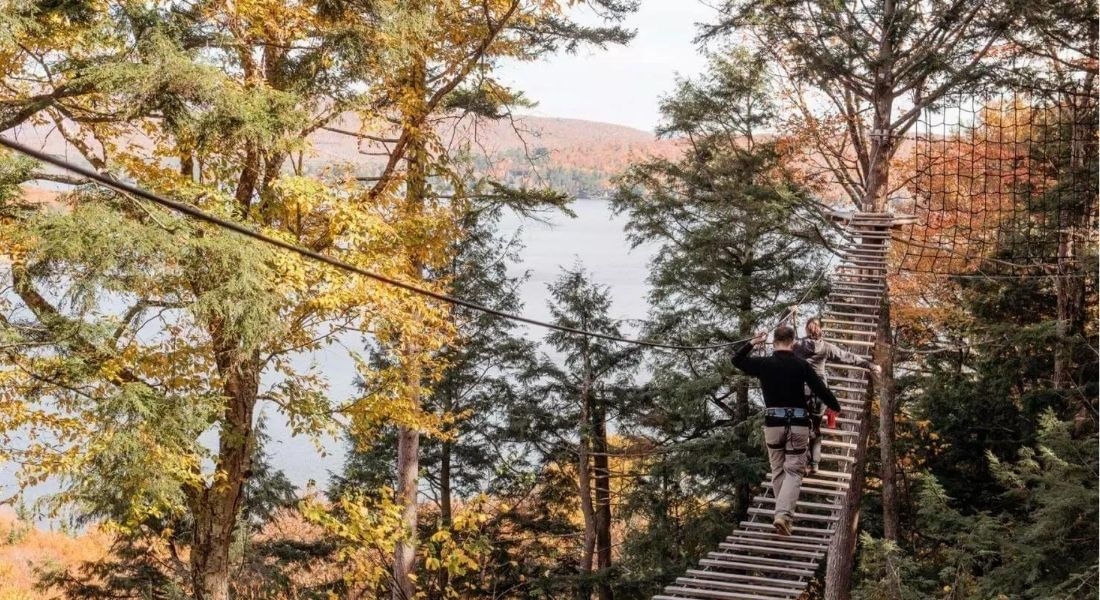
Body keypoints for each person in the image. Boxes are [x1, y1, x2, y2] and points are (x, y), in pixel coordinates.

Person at [730, 325, 840, 536]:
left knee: (779, 470)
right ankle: (783, 514)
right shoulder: (801, 365)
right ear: (793, 342)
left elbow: (737, 360)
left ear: (774, 341)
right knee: (794, 470)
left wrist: (753, 342)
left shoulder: (764, 364)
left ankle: (783, 515)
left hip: (773, 423)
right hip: (798, 423)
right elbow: (820, 389)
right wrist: (835, 406)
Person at [789, 307, 881, 475]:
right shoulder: (826, 347)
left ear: (807, 330)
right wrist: (870, 365)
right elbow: (848, 357)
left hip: (802, 390)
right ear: (820, 329)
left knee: (800, 426)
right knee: (815, 427)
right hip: (820, 392)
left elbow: (785, 334)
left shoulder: (798, 345)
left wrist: (791, 313)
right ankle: (814, 464)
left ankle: (801, 461)